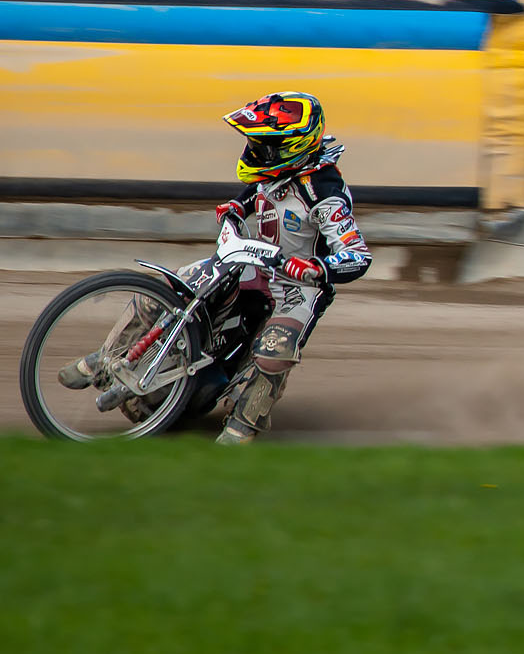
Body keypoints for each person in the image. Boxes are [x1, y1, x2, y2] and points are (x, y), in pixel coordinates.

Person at [60, 91, 372, 444]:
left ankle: (242, 427)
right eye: (254, 143)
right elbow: (257, 192)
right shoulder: (280, 170)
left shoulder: (325, 193)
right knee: (170, 287)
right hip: (254, 263)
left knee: (275, 350)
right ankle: (105, 360)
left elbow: (357, 255)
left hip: (298, 288)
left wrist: (315, 268)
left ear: (292, 148)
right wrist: (237, 208)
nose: (255, 151)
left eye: (264, 146)